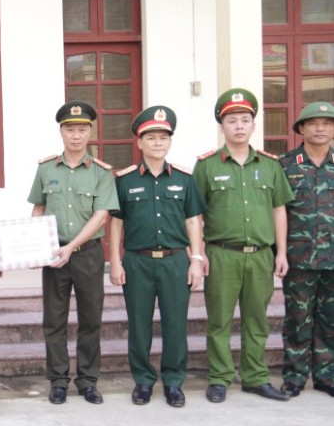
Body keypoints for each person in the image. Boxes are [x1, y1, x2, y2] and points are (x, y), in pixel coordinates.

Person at [193, 88, 293, 403]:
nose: (239, 125)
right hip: (222, 255)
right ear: (222, 127)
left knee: (257, 319)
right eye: (232, 120)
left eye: (245, 120)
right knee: (219, 319)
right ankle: (220, 378)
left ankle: (255, 377)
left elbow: (279, 210)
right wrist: (198, 253)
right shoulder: (207, 166)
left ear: (253, 125)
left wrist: (282, 252)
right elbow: (194, 213)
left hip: (261, 256)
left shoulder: (271, 165)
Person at [108, 106, 205, 408]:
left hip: (176, 261)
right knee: (139, 324)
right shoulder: (124, 180)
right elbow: (116, 222)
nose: (157, 142)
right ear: (139, 142)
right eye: (151, 137)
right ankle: (143, 381)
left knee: (176, 323)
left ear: (170, 142)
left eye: (163, 137)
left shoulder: (185, 179)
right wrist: (115, 260)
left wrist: (197, 259)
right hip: (137, 261)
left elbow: (193, 221)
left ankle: (174, 382)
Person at [27, 100, 117, 405]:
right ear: (61, 132)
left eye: (81, 129)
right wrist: (32, 244)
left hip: (87, 254)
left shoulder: (102, 173)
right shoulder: (45, 169)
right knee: (54, 320)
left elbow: (101, 215)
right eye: (70, 130)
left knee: (91, 318)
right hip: (53, 255)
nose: (76, 135)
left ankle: (88, 380)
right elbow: (38, 207)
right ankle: (58, 380)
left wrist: (71, 246)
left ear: (90, 132)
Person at [278, 101, 334, 398]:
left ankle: (327, 376)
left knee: (330, 320)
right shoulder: (285, 165)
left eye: (327, 123)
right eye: (313, 123)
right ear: (301, 128)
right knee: (297, 320)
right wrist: (280, 253)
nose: (320, 128)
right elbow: (277, 213)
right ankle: (295, 377)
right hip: (299, 258)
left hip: (333, 259)